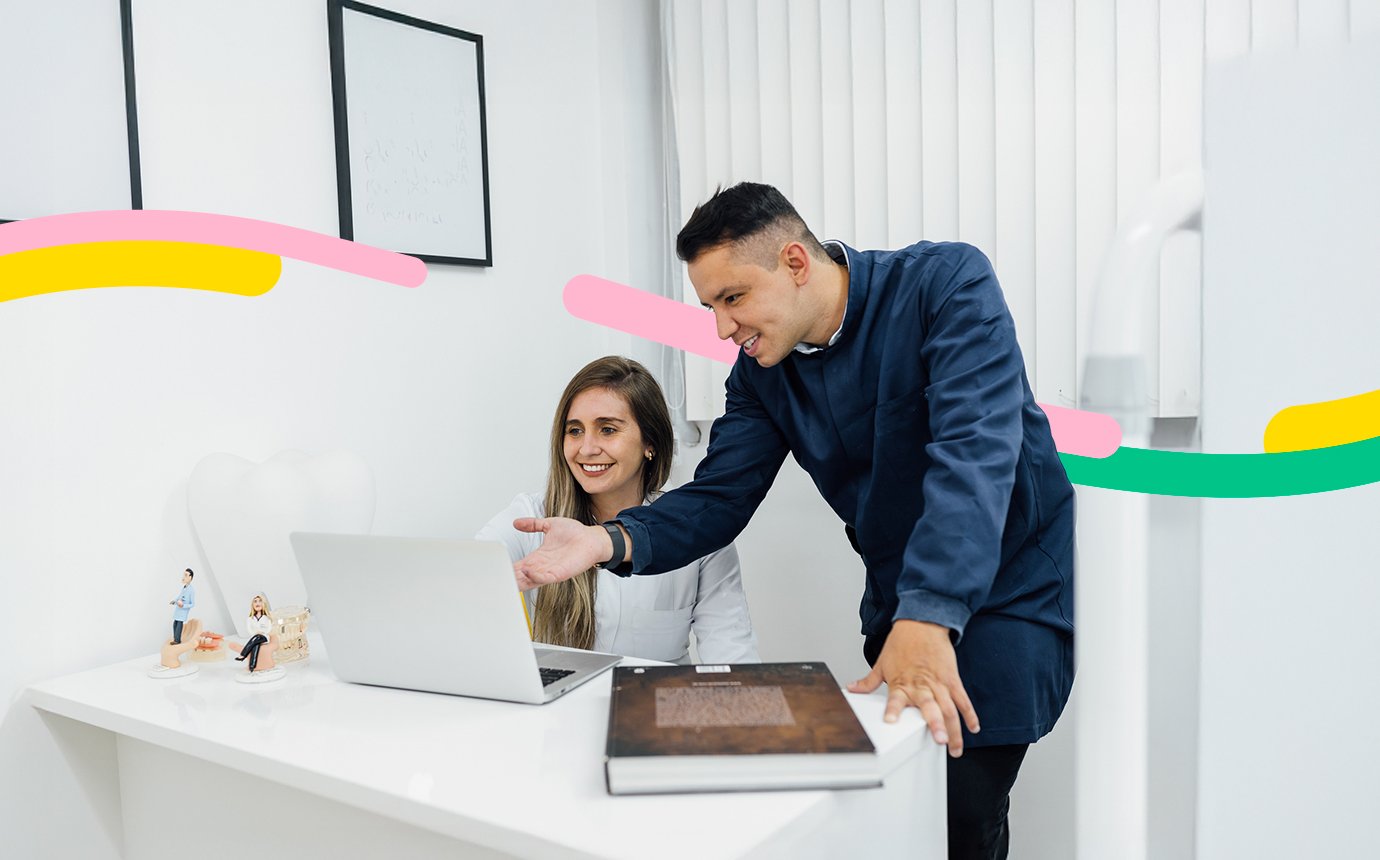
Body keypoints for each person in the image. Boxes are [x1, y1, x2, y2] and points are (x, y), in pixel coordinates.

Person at [512, 184, 1075, 859]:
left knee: (961, 809)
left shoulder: (946, 285)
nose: (722, 327)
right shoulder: (760, 375)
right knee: (908, 810)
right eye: (710, 306)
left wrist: (930, 613)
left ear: (795, 263)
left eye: (733, 298)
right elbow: (719, 495)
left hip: (1005, 594)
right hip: (904, 605)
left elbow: (973, 455)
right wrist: (606, 538)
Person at [478, 356, 758, 664]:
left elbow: (733, 655)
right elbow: (464, 571)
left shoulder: (699, 529)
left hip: (653, 705)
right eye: (574, 431)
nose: (586, 448)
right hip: (560, 707)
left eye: (607, 429)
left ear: (649, 442)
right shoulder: (533, 518)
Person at [234, 593, 275, 672]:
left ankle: (243, 655)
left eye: (260, 601)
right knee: (255, 645)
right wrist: (255, 633)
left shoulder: (267, 617)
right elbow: (249, 629)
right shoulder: (250, 619)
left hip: (264, 637)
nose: (257, 603)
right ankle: (252, 666)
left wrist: (262, 632)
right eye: (255, 601)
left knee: (257, 638)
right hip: (255, 637)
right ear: (252, 605)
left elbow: (269, 628)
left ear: (263, 604)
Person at [168, 568, 196, 645]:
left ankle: (177, 640)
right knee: (175, 624)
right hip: (178, 610)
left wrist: (183, 605)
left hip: (183, 611)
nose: (183, 577)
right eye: (183, 575)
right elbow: (179, 596)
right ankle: (176, 639)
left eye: (186, 575)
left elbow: (192, 604)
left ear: (190, 577)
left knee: (179, 625)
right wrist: (174, 601)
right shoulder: (184, 588)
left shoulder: (191, 590)